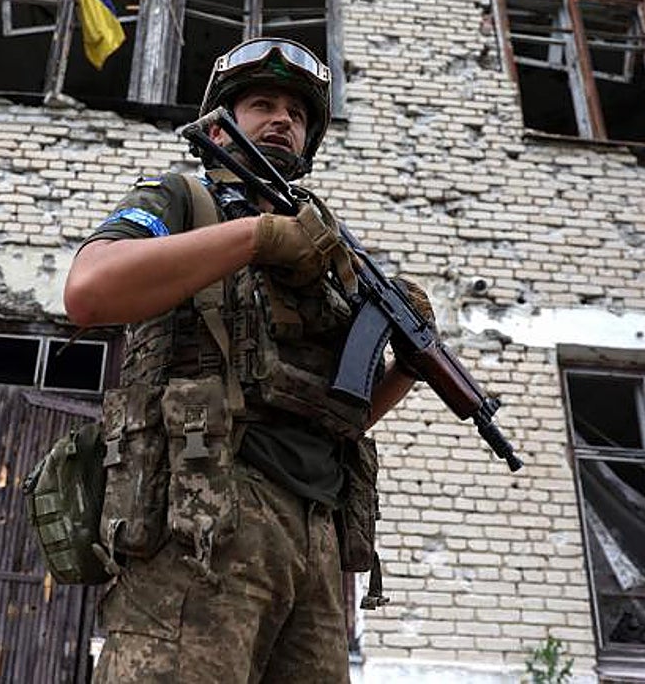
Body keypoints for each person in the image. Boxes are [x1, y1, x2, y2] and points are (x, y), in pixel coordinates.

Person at [64, 38, 434, 683]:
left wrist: (408, 363)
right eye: (262, 103)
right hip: (207, 512)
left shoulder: (333, 256)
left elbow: (338, 419)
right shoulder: (184, 200)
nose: (282, 119)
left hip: (316, 535)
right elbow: (89, 292)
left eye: (297, 111)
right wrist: (255, 237)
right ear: (220, 124)